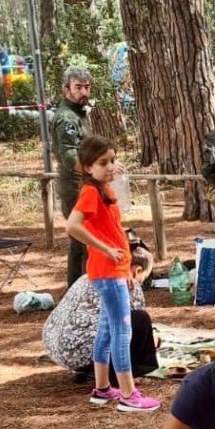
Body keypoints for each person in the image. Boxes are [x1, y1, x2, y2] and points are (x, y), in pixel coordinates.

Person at [66, 136, 161, 414]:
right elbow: (73, 226)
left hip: (115, 269)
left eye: (112, 160)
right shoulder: (90, 193)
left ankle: (103, 387)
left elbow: (114, 221)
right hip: (107, 272)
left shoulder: (103, 189)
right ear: (87, 167)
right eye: (102, 163)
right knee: (122, 330)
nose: (110, 167)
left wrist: (115, 174)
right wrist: (104, 248)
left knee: (107, 329)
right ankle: (129, 394)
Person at [42, 241, 158, 382]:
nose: (141, 282)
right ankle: (122, 377)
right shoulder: (128, 283)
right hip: (85, 350)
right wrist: (153, 340)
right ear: (137, 270)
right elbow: (135, 329)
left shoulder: (90, 275)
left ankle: (89, 371)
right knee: (140, 319)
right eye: (144, 277)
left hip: (57, 349)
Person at [51, 67, 94, 288]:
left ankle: (78, 289)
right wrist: (93, 173)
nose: (84, 92)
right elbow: (68, 155)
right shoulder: (66, 117)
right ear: (66, 90)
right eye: (78, 87)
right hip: (74, 186)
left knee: (82, 242)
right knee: (83, 239)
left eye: (86, 87)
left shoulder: (79, 113)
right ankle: (79, 291)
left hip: (85, 184)